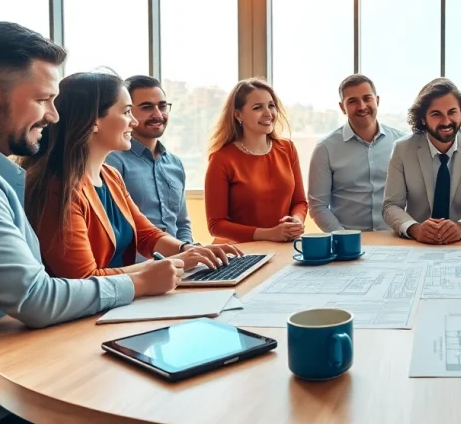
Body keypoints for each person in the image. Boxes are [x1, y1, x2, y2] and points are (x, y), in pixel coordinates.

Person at [0, 22, 179, 424]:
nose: (54, 115)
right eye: (43, 99)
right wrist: (139, 283)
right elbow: (36, 299)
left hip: (19, 382)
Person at [21, 70, 240, 279]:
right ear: (94, 121)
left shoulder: (109, 175)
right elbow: (83, 279)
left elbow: (147, 234)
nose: (133, 122)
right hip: (89, 311)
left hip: (121, 299)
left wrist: (190, 250)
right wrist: (173, 263)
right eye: (127, 112)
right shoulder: (58, 188)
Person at [382, 78, 461, 244]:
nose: (446, 121)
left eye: (452, 112)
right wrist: (415, 229)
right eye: (436, 114)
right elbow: (391, 205)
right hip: (416, 243)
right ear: (423, 119)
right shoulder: (402, 149)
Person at [205, 78, 308, 243]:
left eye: (271, 105)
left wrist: (297, 220)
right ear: (238, 114)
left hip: (284, 246)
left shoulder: (287, 148)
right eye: (257, 107)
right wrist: (269, 234)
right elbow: (216, 225)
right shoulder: (222, 159)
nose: (268, 113)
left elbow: (299, 202)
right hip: (240, 252)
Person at [105, 75, 196, 261]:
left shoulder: (175, 164)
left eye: (162, 106)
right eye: (147, 107)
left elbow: (181, 223)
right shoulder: (112, 162)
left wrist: (191, 253)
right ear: (128, 112)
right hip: (138, 271)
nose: (158, 114)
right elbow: (114, 229)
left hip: (180, 263)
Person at [307, 74, 406, 232]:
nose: (362, 106)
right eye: (352, 101)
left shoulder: (401, 144)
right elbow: (318, 207)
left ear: (377, 101)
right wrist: (344, 238)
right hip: (347, 242)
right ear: (342, 107)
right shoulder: (325, 149)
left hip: (395, 238)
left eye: (367, 98)